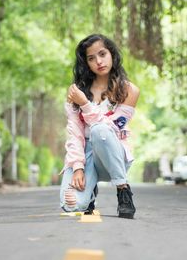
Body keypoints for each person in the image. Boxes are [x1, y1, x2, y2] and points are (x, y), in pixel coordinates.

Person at [60, 34, 140, 219]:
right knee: (71, 204)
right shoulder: (77, 91)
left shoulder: (129, 91)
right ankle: (89, 196)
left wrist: (85, 105)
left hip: (112, 155)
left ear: (112, 54)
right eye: (91, 58)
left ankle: (123, 189)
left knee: (100, 131)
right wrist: (78, 167)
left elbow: (111, 129)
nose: (98, 61)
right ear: (86, 63)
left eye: (102, 54)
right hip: (84, 154)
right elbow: (75, 133)